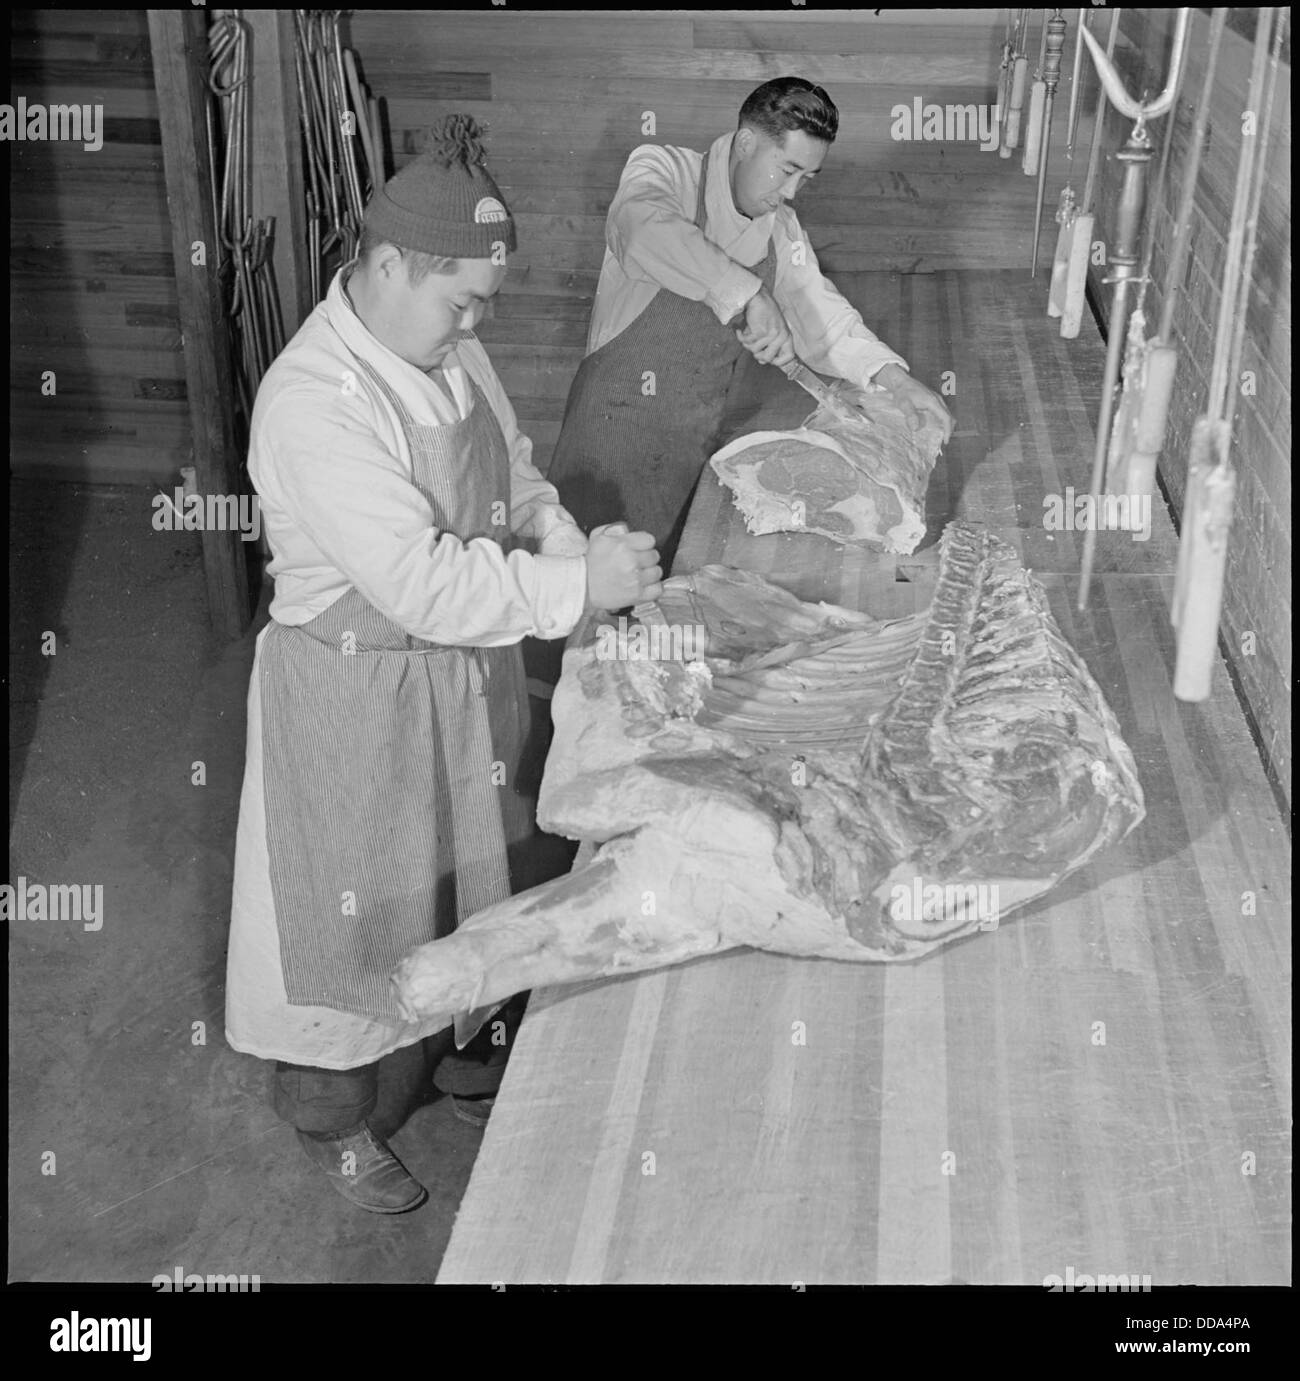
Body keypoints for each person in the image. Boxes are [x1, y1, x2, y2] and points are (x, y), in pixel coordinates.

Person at [224, 115, 662, 1214]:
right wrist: (572, 593)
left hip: (459, 681)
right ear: (383, 266)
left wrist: (569, 550)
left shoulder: (446, 351)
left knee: (478, 876)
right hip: (357, 699)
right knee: (350, 921)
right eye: (458, 300)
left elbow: (510, 479)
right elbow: (420, 581)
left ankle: (467, 1055)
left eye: (483, 304)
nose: (474, 324)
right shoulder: (313, 402)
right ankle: (336, 1122)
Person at [545, 76, 955, 573]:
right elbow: (637, 228)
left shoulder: (779, 230)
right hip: (609, 435)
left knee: (659, 594)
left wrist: (894, 379)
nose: (790, 192)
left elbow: (818, 313)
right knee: (581, 601)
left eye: (805, 178)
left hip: (690, 440)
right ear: (745, 142)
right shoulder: (666, 171)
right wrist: (749, 294)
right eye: (786, 171)